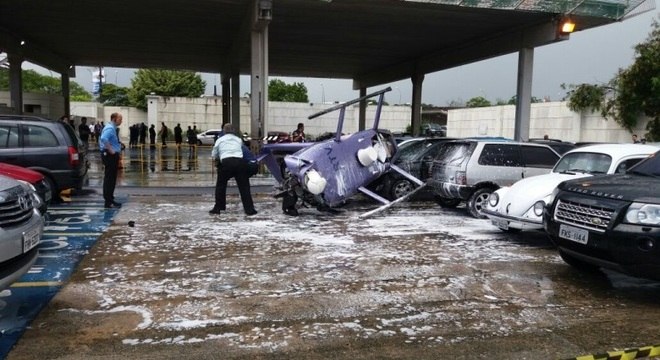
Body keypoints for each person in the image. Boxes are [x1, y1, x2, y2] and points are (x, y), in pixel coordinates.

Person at [209, 123, 257, 216]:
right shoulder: (238, 140)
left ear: (224, 131)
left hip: (226, 163)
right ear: (234, 131)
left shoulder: (220, 140)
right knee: (244, 187)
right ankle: (249, 209)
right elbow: (243, 151)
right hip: (239, 163)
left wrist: (219, 157)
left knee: (221, 185)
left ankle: (219, 207)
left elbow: (214, 154)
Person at [99, 113, 123, 209]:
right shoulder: (110, 128)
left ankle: (110, 199)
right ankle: (108, 201)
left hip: (111, 155)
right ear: (114, 119)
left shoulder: (111, 127)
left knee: (112, 178)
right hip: (109, 156)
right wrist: (111, 150)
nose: (121, 121)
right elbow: (104, 138)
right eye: (120, 119)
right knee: (109, 178)